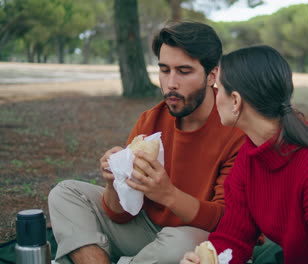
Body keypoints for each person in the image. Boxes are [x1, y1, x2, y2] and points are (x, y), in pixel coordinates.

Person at [48, 21, 245, 264]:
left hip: (197, 238)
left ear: (211, 75)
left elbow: (228, 221)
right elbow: (120, 214)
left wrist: (168, 194)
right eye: (164, 70)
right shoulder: (151, 120)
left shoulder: (235, 130)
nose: (171, 83)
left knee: (182, 244)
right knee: (65, 193)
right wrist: (114, 184)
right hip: (145, 230)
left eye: (183, 71)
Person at [181, 45, 308, 264]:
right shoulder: (249, 158)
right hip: (296, 253)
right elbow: (233, 238)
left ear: (236, 101)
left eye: (218, 88)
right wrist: (208, 259)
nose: (214, 96)